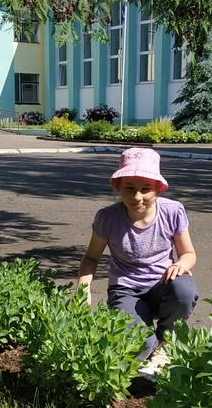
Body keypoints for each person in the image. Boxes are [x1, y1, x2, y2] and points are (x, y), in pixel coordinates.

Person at [77, 146, 198, 378]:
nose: (137, 197)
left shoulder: (173, 212)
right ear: (118, 186)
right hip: (125, 289)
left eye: (146, 189)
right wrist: (84, 288)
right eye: (129, 188)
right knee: (138, 346)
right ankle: (154, 347)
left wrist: (182, 264)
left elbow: (189, 254)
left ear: (158, 189)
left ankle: (167, 342)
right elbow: (91, 257)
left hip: (162, 284)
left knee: (185, 290)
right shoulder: (107, 218)